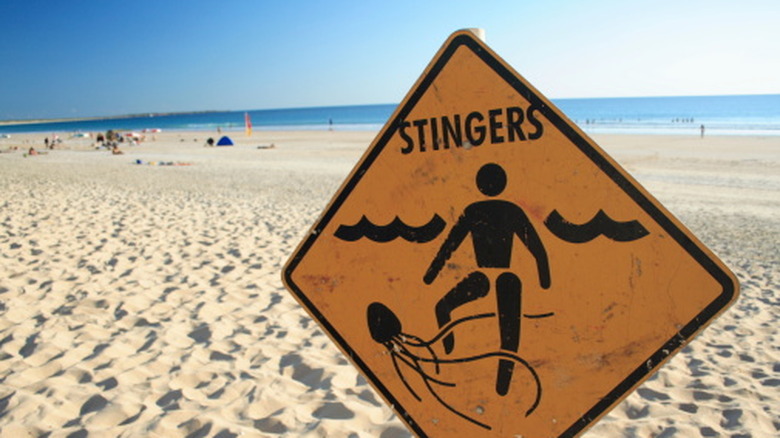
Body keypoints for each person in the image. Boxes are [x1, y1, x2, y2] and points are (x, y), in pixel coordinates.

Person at [424, 163, 551, 396]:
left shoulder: (473, 210)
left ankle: (451, 352)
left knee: (442, 307)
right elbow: (537, 248)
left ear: (479, 184)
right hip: (505, 278)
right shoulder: (511, 210)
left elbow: (449, 246)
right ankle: (502, 388)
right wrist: (544, 280)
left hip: (481, 278)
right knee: (509, 338)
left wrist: (431, 275)